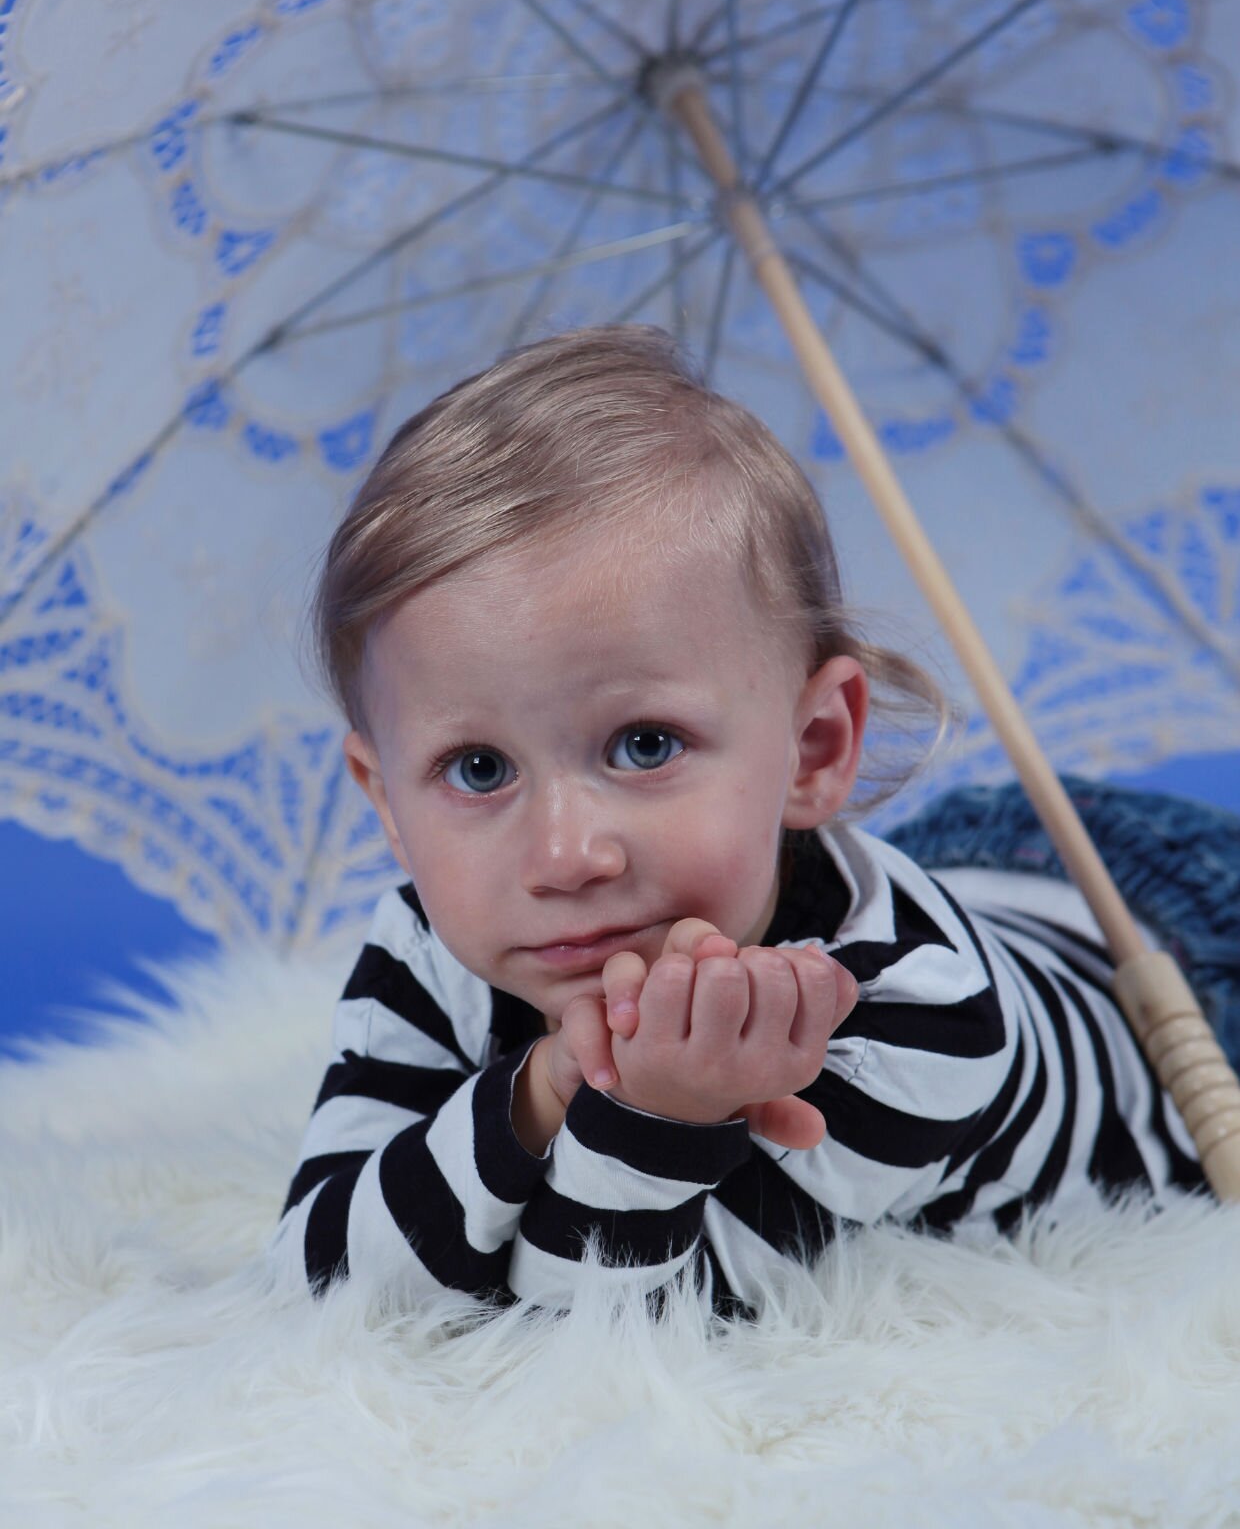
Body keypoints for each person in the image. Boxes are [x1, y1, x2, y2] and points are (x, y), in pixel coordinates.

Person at [269, 323, 1234, 1319]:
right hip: (949, 870)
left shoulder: (908, 1021)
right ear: (386, 801)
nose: (566, 856)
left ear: (811, 748)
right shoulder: (429, 948)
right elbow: (321, 1275)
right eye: (478, 768)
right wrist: (534, 1092)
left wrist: (654, 1110)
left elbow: (597, 1329)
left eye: (644, 744)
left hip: (1175, 971)